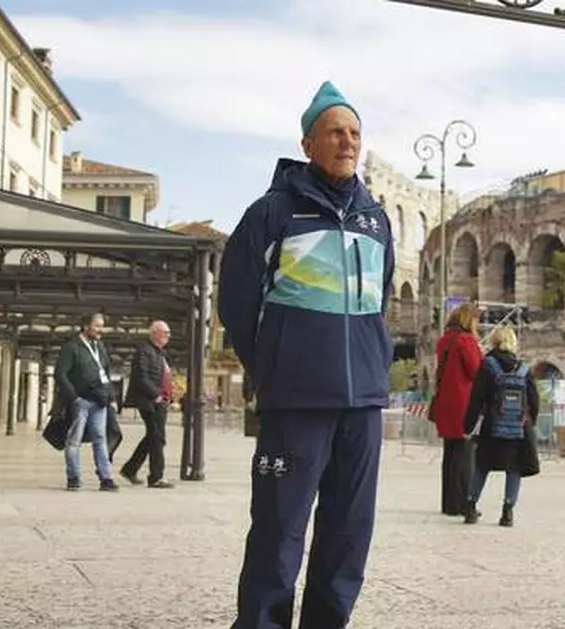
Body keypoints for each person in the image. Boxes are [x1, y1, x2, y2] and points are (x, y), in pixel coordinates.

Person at [218, 80, 394, 629]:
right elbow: (237, 303)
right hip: (295, 403)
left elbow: (379, 303)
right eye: (335, 132)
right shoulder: (273, 214)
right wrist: (275, 366)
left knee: (348, 535)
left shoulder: (375, 219)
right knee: (278, 530)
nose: (347, 142)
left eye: (355, 133)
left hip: (361, 404)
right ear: (307, 143)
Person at [462, 325, 540, 527]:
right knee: (514, 469)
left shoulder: (487, 365)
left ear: (494, 342)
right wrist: (530, 423)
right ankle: (507, 512)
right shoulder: (523, 369)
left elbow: (476, 399)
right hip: (518, 429)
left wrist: (468, 426)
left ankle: (471, 507)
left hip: (492, 425)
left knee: (482, 466)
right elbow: (534, 400)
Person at [54, 313, 120, 492]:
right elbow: (61, 374)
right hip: (81, 401)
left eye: (101, 326)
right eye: (97, 326)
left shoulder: (99, 346)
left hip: (99, 401)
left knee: (100, 438)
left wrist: (112, 397)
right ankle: (73, 477)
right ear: (85, 326)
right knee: (73, 440)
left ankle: (106, 478)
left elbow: (105, 373)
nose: (101, 330)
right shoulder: (71, 347)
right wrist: (74, 398)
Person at [432, 304, 483, 516]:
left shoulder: (444, 340)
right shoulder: (466, 341)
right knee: (465, 455)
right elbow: (475, 371)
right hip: (463, 401)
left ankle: (449, 502)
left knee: (450, 454)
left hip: (445, 400)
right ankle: (463, 502)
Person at [119, 321, 175, 489]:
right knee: (157, 438)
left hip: (160, 402)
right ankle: (156, 477)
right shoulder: (144, 351)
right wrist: (156, 394)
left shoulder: (159, 353)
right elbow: (140, 376)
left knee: (152, 437)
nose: (168, 336)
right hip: (150, 402)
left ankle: (130, 469)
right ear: (155, 333)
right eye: (166, 332)